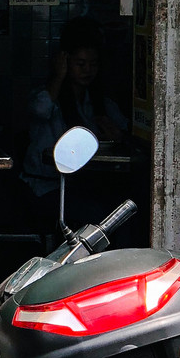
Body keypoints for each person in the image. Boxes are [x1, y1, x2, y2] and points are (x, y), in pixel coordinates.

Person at [20, 19, 130, 237]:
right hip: (46, 189)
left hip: (83, 186)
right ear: (65, 62)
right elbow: (40, 110)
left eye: (93, 64)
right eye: (80, 64)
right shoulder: (48, 98)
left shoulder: (100, 102)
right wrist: (58, 76)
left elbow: (125, 131)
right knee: (100, 215)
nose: (87, 70)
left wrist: (119, 136)